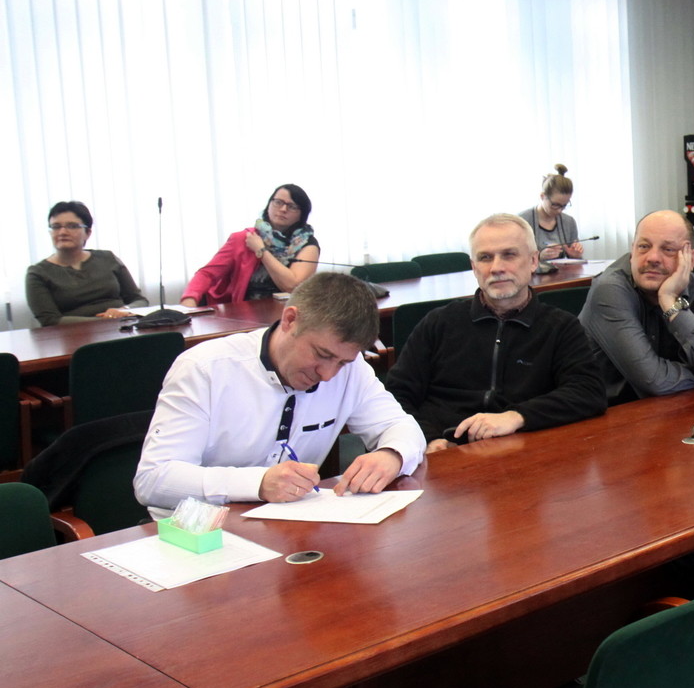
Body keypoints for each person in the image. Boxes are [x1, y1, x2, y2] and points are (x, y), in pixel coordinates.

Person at [134, 271, 425, 518]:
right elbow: (153, 479)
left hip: (288, 528)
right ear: (290, 320)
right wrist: (257, 483)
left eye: (341, 362)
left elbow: (401, 426)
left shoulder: (351, 369)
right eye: (321, 354)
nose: (328, 374)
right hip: (197, 533)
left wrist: (392, 455)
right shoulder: (205, 369)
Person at [385, 214, 606, 451]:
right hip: (443, 449)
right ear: (474, 267)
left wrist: (517, 416)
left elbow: (588, 392)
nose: (496, 268)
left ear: (533, 261)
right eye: (485, 258)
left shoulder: (561, 327)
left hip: (524, 450)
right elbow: (395, 396)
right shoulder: (438, 323)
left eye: (509, 255)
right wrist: (428, 439)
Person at [579, 210, 694, 403]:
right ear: (632, 251)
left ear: (691, 259)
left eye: (668, 249)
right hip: (608, 414)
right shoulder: (609, 290)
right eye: (643, 247)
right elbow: (654, 380)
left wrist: (670, 301)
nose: (653, 257)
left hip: (674, 409)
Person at [181, 184, 319, 307]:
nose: (283, 209)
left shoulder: (307, 244)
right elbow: (207, 274)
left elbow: (292, 286)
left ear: (302, 214)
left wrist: (261, 251)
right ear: (269, 204)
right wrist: (189, 299)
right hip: (242, 314)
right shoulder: (244, 239)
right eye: (278, 202)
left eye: (292, 206)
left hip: (286, 316)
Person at [26, 200, 147, 326]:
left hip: (122, 327)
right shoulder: (38, 273)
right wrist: (105, 321)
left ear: (88, 233)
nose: (62, 232)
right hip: (73, 333)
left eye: (72, 226)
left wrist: (125, 311)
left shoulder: (107, 258)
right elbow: (49, 320)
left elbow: (139, 300)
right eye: (56, 227)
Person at [518, 164, 584, 261]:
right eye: (555, 205)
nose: (560, 210)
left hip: (564, 271)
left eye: (564, 205)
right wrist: (539, 257)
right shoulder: (522, 221)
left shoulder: (569, 222)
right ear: (542, 196)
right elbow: (514, 259)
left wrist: (575, 256)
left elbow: (576, 263)